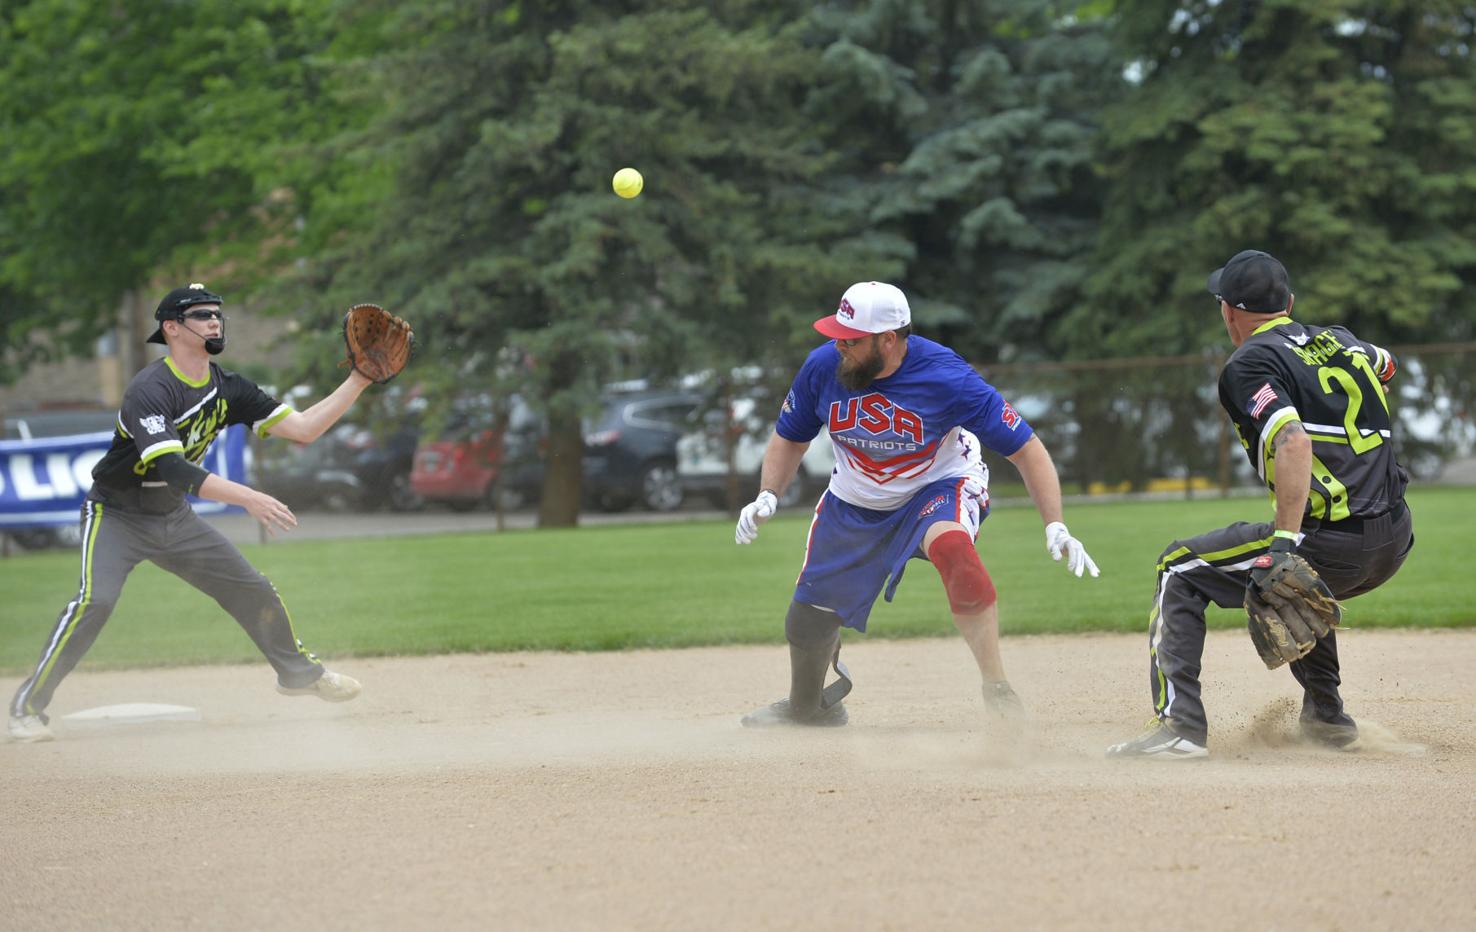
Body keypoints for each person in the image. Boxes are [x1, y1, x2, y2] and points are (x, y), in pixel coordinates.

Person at [8, 284, 376, 743]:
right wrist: (248, 497)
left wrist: (358, 379)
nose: (215, 322)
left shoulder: (230, 387)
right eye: (202, 315)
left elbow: (303, 429)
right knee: (93, 602)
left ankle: (298, 675)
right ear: (172, 328)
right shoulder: (151, 388)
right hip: (117, 515)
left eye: (217, 314)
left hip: (173, 518)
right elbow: (171, 466)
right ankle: (27, 707)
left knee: (252, 588)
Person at [735, 280, 1098, 727]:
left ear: (888, 340)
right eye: (838, 335)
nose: (839, 345)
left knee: (954, 551)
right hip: (856, 496)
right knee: (807, 620)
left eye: (851, 338)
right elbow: (790, 438)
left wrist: (1055, 523)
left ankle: (997, 689)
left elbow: (1026, 448)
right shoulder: (822, 367)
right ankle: (808, 710)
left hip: (936, 485)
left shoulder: (947, 377)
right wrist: (767, 495)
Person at [1107, 250, 1414, 759]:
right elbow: (1387, 362)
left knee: (1179, 569)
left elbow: (1292, 440)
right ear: (1289, 303)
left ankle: (1180, 726)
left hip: (1331, 541)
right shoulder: (1340, 340)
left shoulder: (1249, 362)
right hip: (1395, 537)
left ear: (1228, 311)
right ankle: (1327, 720)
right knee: (1295, 585)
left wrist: (1284, 545)